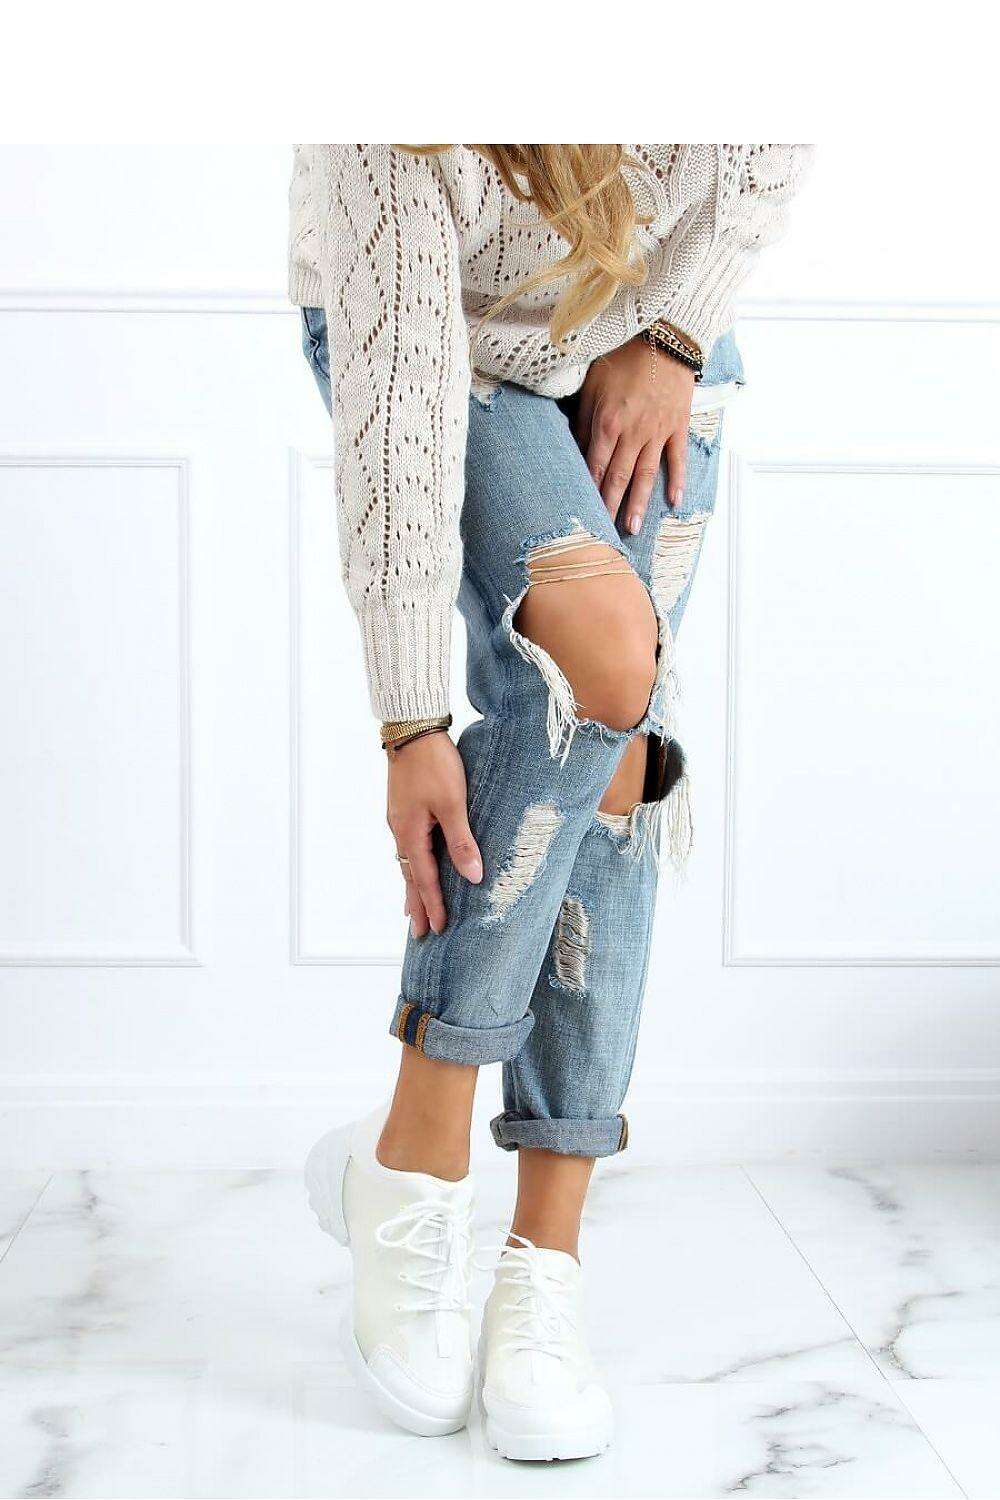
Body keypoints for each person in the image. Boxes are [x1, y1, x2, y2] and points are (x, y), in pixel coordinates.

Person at [291, 144, 809, 1461]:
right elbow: (402, 415)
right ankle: (415, 1164)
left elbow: (776, 120)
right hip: (446, 348)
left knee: (625, 764)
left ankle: (545, 1259)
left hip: (655, 330)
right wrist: (411, 720)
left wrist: (678, 329)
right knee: (602, 663)